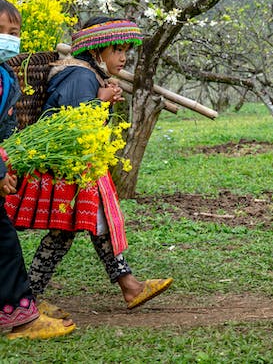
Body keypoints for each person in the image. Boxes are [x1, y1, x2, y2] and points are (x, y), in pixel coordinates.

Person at [5, 17, 172, 315]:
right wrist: (101, 102)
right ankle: (124, 286)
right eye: (116, 51)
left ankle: (126, 285)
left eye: (125, 51)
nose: (123, 58)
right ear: (97, 52)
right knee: (83, 226)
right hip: (66, 167)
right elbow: (70, 123)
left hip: (76, 166)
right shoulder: (80, 76)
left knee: (77, 229)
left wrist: (104, 98)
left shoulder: (88, 74)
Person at [0, 0, 74, 338]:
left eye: (13, 32)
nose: (7, 38)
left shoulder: (5, 74)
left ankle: (20, 309)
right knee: (4, 242)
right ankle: (20, 317)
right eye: (0, 31)